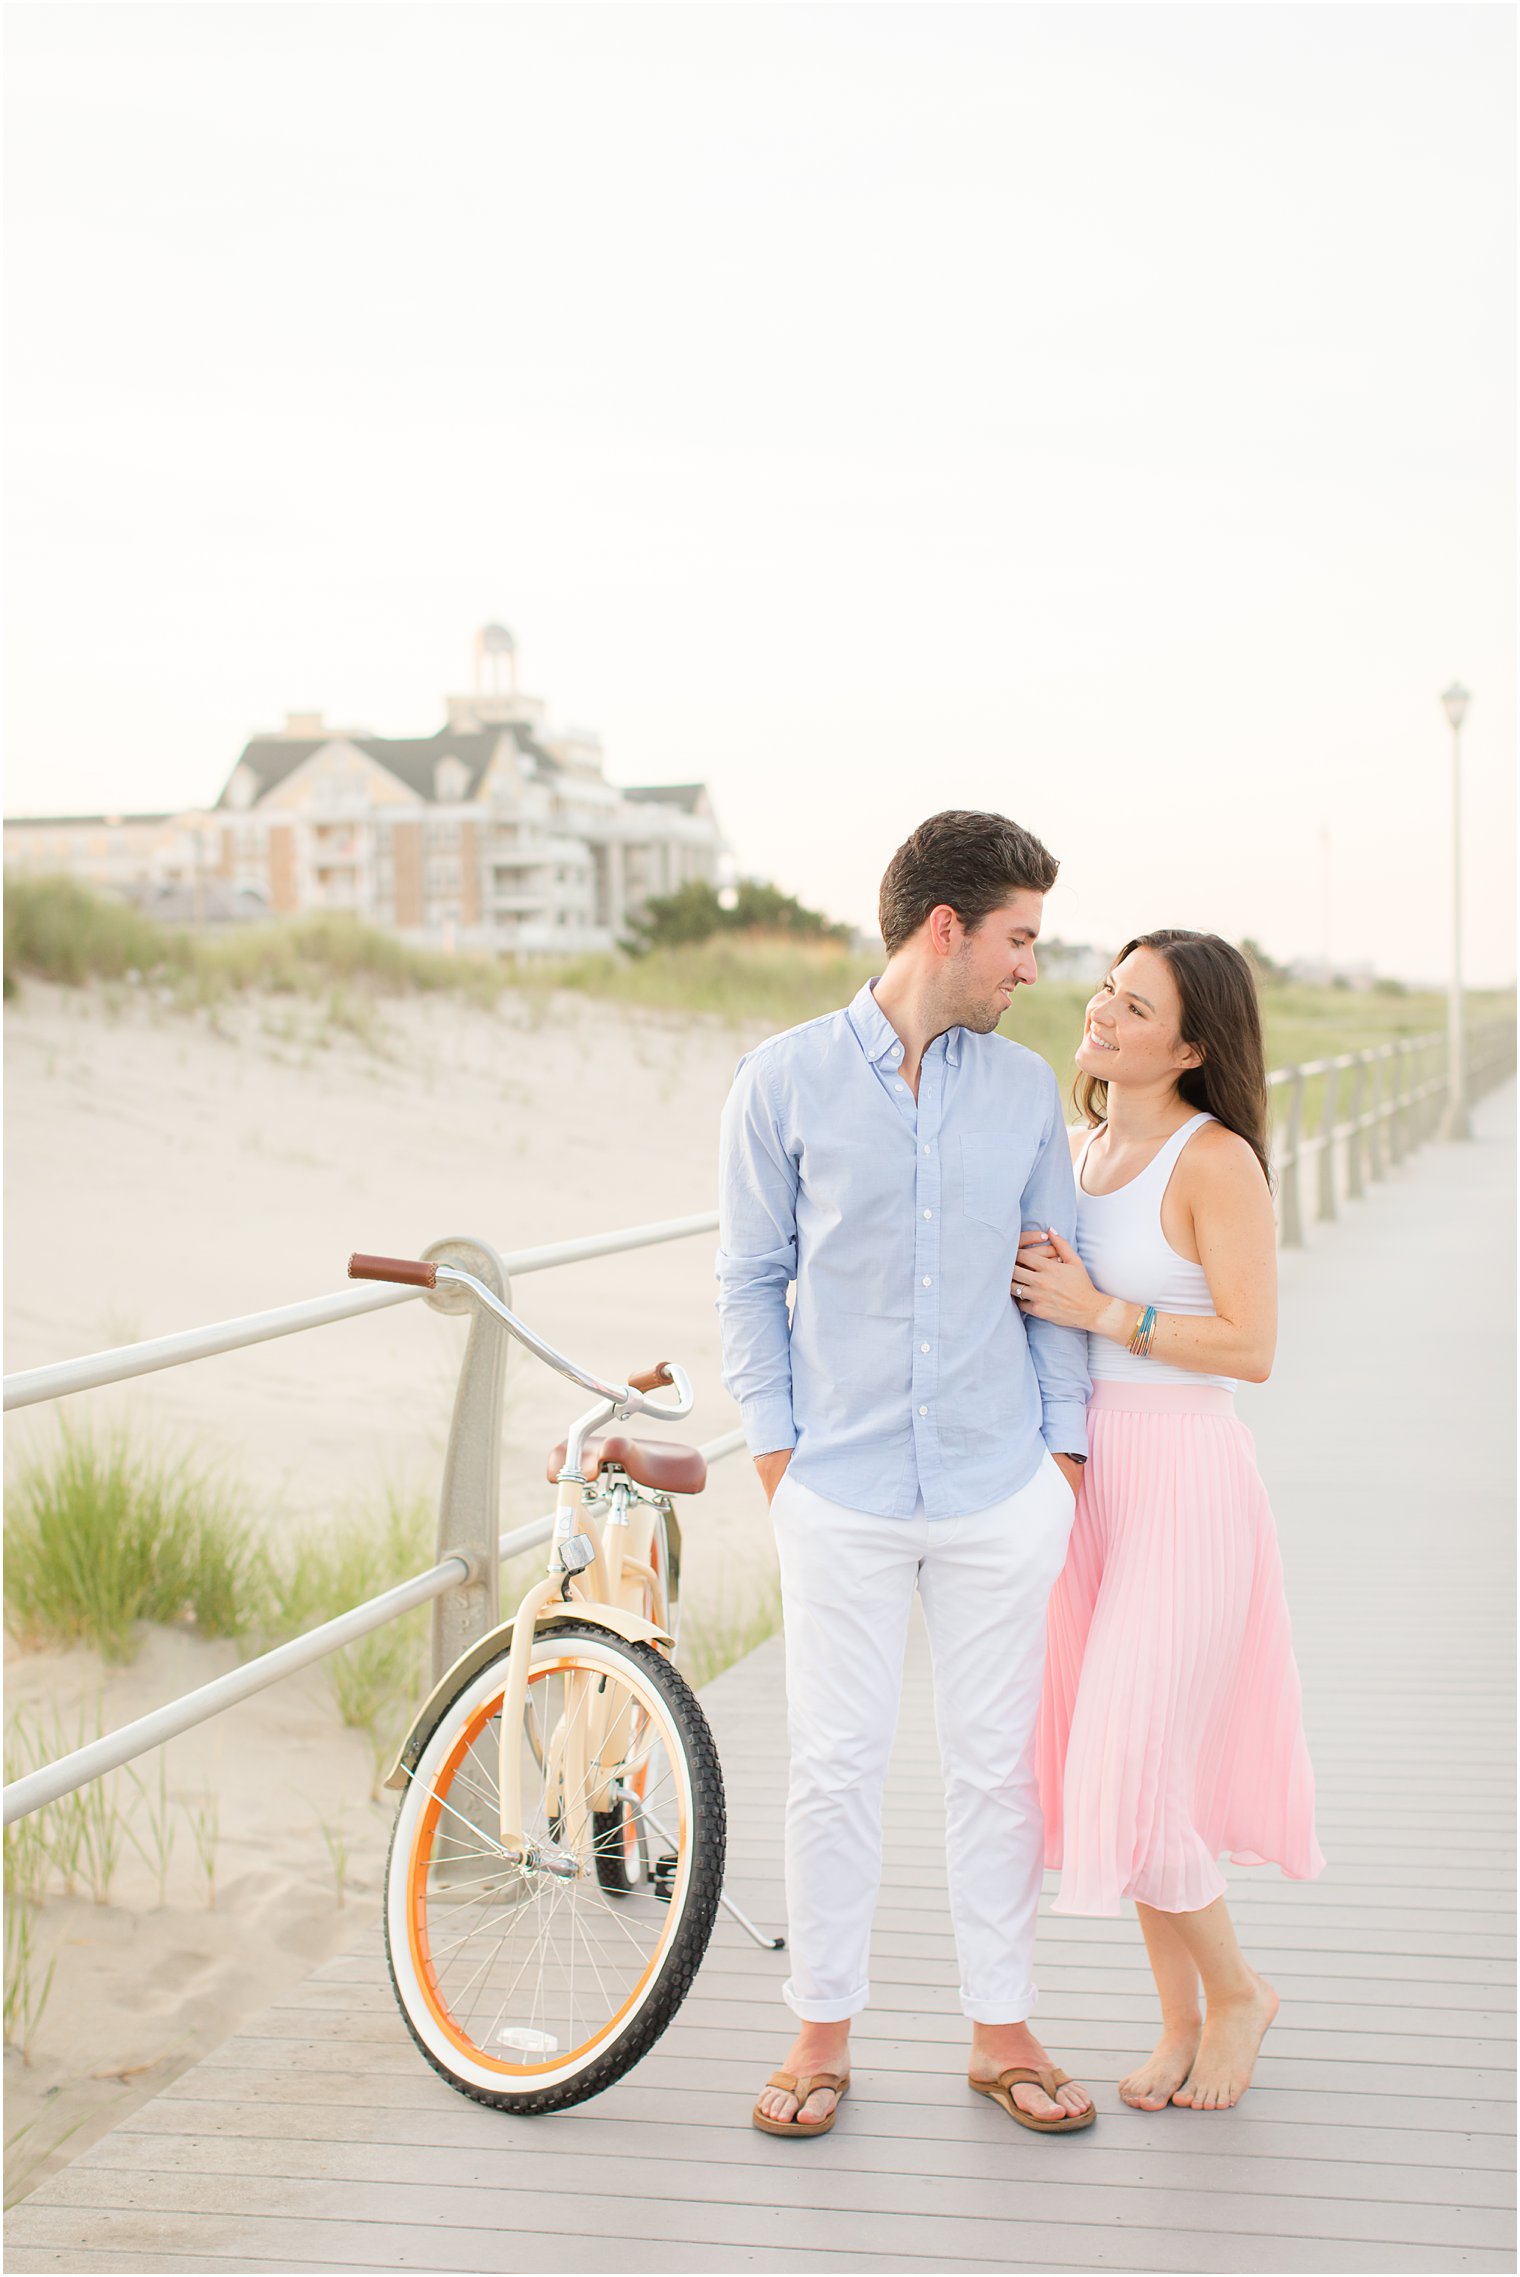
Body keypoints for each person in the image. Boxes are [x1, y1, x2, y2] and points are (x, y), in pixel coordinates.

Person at [717, 809, 1096, 2140]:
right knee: (834, 1763)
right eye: (1018, 939)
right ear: (948, 929)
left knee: (998, 1771)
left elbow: (1055, 1275)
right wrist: (780, 1457)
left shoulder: (1023, 1089)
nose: (1031, 969)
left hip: (1003, 1486)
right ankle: (822, 2033)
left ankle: (1002, 2030)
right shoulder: (781, 1083)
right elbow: (751, 1280)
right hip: (842, 1491)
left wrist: (1062, 1454)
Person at [1016, 930, 1325, 2113]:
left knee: (1128, 1756)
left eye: (1131, 1004)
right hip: (1084, 1484)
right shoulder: (1079, 1145)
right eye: (1104, 988)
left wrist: (1103, 1309)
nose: (1098, 1011)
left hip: (1184, 1480)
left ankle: (1237, 1994)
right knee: (1126, 1766)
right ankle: (1177, 2022)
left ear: (1189, 1046)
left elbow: (1249, 1347)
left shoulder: (1214, 1162)